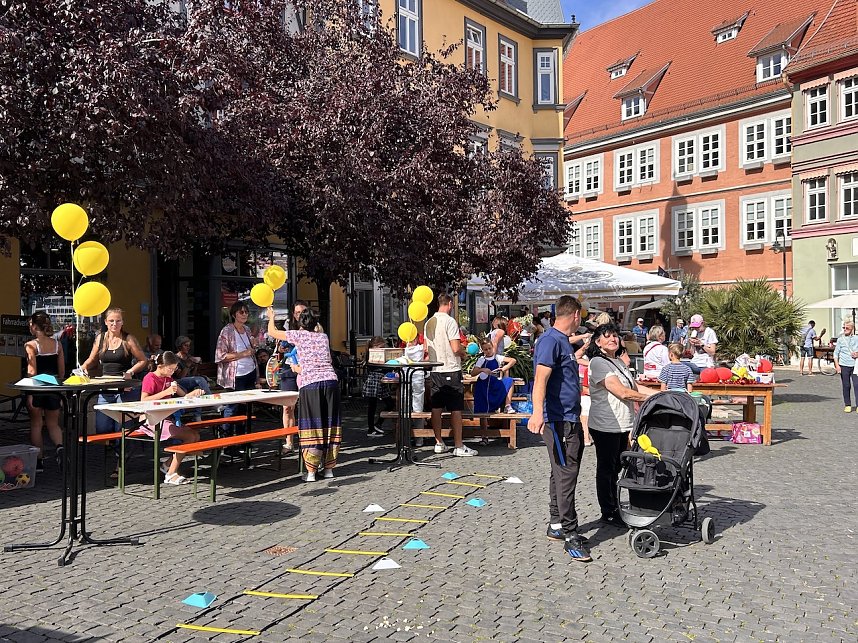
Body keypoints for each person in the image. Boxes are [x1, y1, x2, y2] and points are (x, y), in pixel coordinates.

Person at [528, 295, 590, 562]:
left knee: (559, 472)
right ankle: (570, 532)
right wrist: (537, 413)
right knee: (567, 474)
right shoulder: (551, 340)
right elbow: (541, 378)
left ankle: (556, 524)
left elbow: (563, 369)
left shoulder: (563, 341)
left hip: (568, 417)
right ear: (575, 315)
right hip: (559, 420)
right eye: (581, 317)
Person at [585, 323, 657, 527]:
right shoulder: (598, 363)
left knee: (618, 467)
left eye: (615, 336)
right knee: (607, 469)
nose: (613, 339)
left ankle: (615, 504)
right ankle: (608, 510)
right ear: (598, 343)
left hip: (624, 424)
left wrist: (663, 395)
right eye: (607, 337)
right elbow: (622, 392)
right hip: (605, 425)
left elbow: (634, 387)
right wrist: (648, 399)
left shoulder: (618, 362)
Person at [266, 306, 341, 481]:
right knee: (330, 424)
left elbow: (272, 332)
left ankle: (311, 472)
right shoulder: (323, 337)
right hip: (330, 381)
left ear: (300, 322)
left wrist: (271, 316)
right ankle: (329, 469)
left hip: (311, 384)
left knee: (311, 426)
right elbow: (325, 360)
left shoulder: (298, 335)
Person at [81, 307, 150, 436]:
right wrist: (83, 369)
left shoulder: (128, 339)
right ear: (106, 322)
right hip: (106, 388)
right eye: (111, 321)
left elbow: (143, 360)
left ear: (122, 322)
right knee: (102, 428)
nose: (114, 324)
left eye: (118, 321)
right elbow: (91, 359)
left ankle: (122, 455)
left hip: (125, 389)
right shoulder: (100, 338)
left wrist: (130, 372)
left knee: (122, 430)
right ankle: (106, 456)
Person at [140, 352, 204, 485]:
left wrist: (193, 394)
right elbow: (143, 400)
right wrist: (166, 392)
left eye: (174, 369)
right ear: (161, 366)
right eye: (170, 369)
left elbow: (184, 396)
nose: (173, 371)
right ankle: (170, 474)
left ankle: (166, 466)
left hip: (166, 418)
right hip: (152, 420)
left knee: (195, 435)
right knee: (190, 437)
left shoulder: (168, 379)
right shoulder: (150, 378)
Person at [425, 293, 477, 457]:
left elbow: (427, 349)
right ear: (449, 304)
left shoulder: (428, 323)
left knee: (436, 407)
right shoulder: (450, 321)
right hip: (450, 368)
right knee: (456, 408)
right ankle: (458, 445)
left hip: (435, 369)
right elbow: (455, 348)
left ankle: (439, 442)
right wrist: (464, 353)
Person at [25, 312, 64, 472]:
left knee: (36, 424)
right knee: (53, 424)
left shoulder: (31, 345)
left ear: (34, 326)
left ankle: (39, 461)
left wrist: (29, 391)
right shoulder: (57, 345)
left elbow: (32, 371)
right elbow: (61, 372)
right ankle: (60, 448)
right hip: (53, 386)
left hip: (37, 387)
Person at [214, 301, 260, 441]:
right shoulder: (227, 331)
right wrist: (242, 354)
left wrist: (254, 345)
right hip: (235, 376)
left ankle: (241, 440)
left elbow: (251, 349)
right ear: (234, 314)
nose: (245, 314)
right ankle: (226, 441)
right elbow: (220, 356)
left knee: (244, 408)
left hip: (250, 373)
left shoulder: (246, 330)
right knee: (232, 407)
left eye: (246, 312)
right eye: (241, 312)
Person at [275, 300, 309, 453]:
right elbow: (281, 349)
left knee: (307, 407)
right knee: (287, 407)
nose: (299, 315)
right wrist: (281, 347)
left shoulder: (313, 329)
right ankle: (289, 442)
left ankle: (307, 440)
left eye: (302, 312)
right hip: (289, 370)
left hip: (306, 370)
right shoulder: (289, 330)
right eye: (296, 312)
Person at [470, 339, 516, 415]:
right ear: (482, 350)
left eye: (489, 348)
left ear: (492, 347)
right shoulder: (481, 359)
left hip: (495, 385)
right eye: (485, 349)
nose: (488, 351)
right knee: (482, 411)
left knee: (510, 381)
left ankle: (507, 405)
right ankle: (483, 426)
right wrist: (483, 369)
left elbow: (513, 360)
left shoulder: (497, 357)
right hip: (484, 387)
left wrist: (505, 367)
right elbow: (473, 373)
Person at [172, 335, 210, 424]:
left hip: (188, 382)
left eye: (189, 345)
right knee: (200, 380)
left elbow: (193, 376)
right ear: (180, 346)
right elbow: (180, 376)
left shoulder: (189, 357)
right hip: (179, 383)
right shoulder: (175, 358)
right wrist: (188, 365)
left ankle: (197, 415)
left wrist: (195, 365)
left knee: (199, 390)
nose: (188, 347)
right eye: (186, 345)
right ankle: (213, 403)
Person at [362, 336, 394, 437]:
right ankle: (371, 428)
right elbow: (378, 368)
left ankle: (377, 425)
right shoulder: (372, 356)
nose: (383, 349)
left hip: (379, 381)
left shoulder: (373, 355)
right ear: (375, 346)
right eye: (381, 347)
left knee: (389, 404)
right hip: (374, 382)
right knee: (373, 406)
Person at [833, 320, 858, 412]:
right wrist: (837, 366)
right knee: (846, 385)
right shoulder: (840, 340)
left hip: (855, 365)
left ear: (852, 329)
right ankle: (847, 404)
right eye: (844, 327)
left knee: (857, 385)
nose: (845, 329)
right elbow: (836, 354)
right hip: (844, 365)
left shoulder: (856, 338)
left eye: (847, 328)